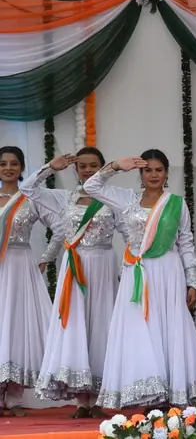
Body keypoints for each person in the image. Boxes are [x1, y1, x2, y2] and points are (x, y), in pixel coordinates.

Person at [83, 149, 196, 409]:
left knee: (167, 327)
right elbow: (91, 185)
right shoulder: (127, 199)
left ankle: (170, 394)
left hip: (168, 271)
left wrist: (193, 281)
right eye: (148, 170)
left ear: (166, 173)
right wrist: (117, 165)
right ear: (140, 173)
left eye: (159, 170)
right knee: (140, 328)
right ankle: (147, 392)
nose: (154, 174)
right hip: (137, 273)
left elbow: (185, 242)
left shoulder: (176, 202)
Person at [20, 147, 127, 418]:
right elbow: (29, 189)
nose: (88, 170)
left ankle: (100, 398)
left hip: (104, 265)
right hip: (74, 266)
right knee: (75, 325)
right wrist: (50, 167)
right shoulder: (62, 198)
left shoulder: (114, 199)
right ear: (76, 170)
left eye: (94, 165)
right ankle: (81, 400)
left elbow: (129, 234)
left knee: (102, 325)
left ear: (104, 168)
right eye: (83, 166)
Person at [0, 146, 63, 416]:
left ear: (23, 167)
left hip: (20, 266)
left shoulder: (31, 198)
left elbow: (61, 227)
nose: (8, 168)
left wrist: (46, 257)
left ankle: (13, 397)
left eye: (14, 163)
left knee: (17, 327)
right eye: (3, 163)